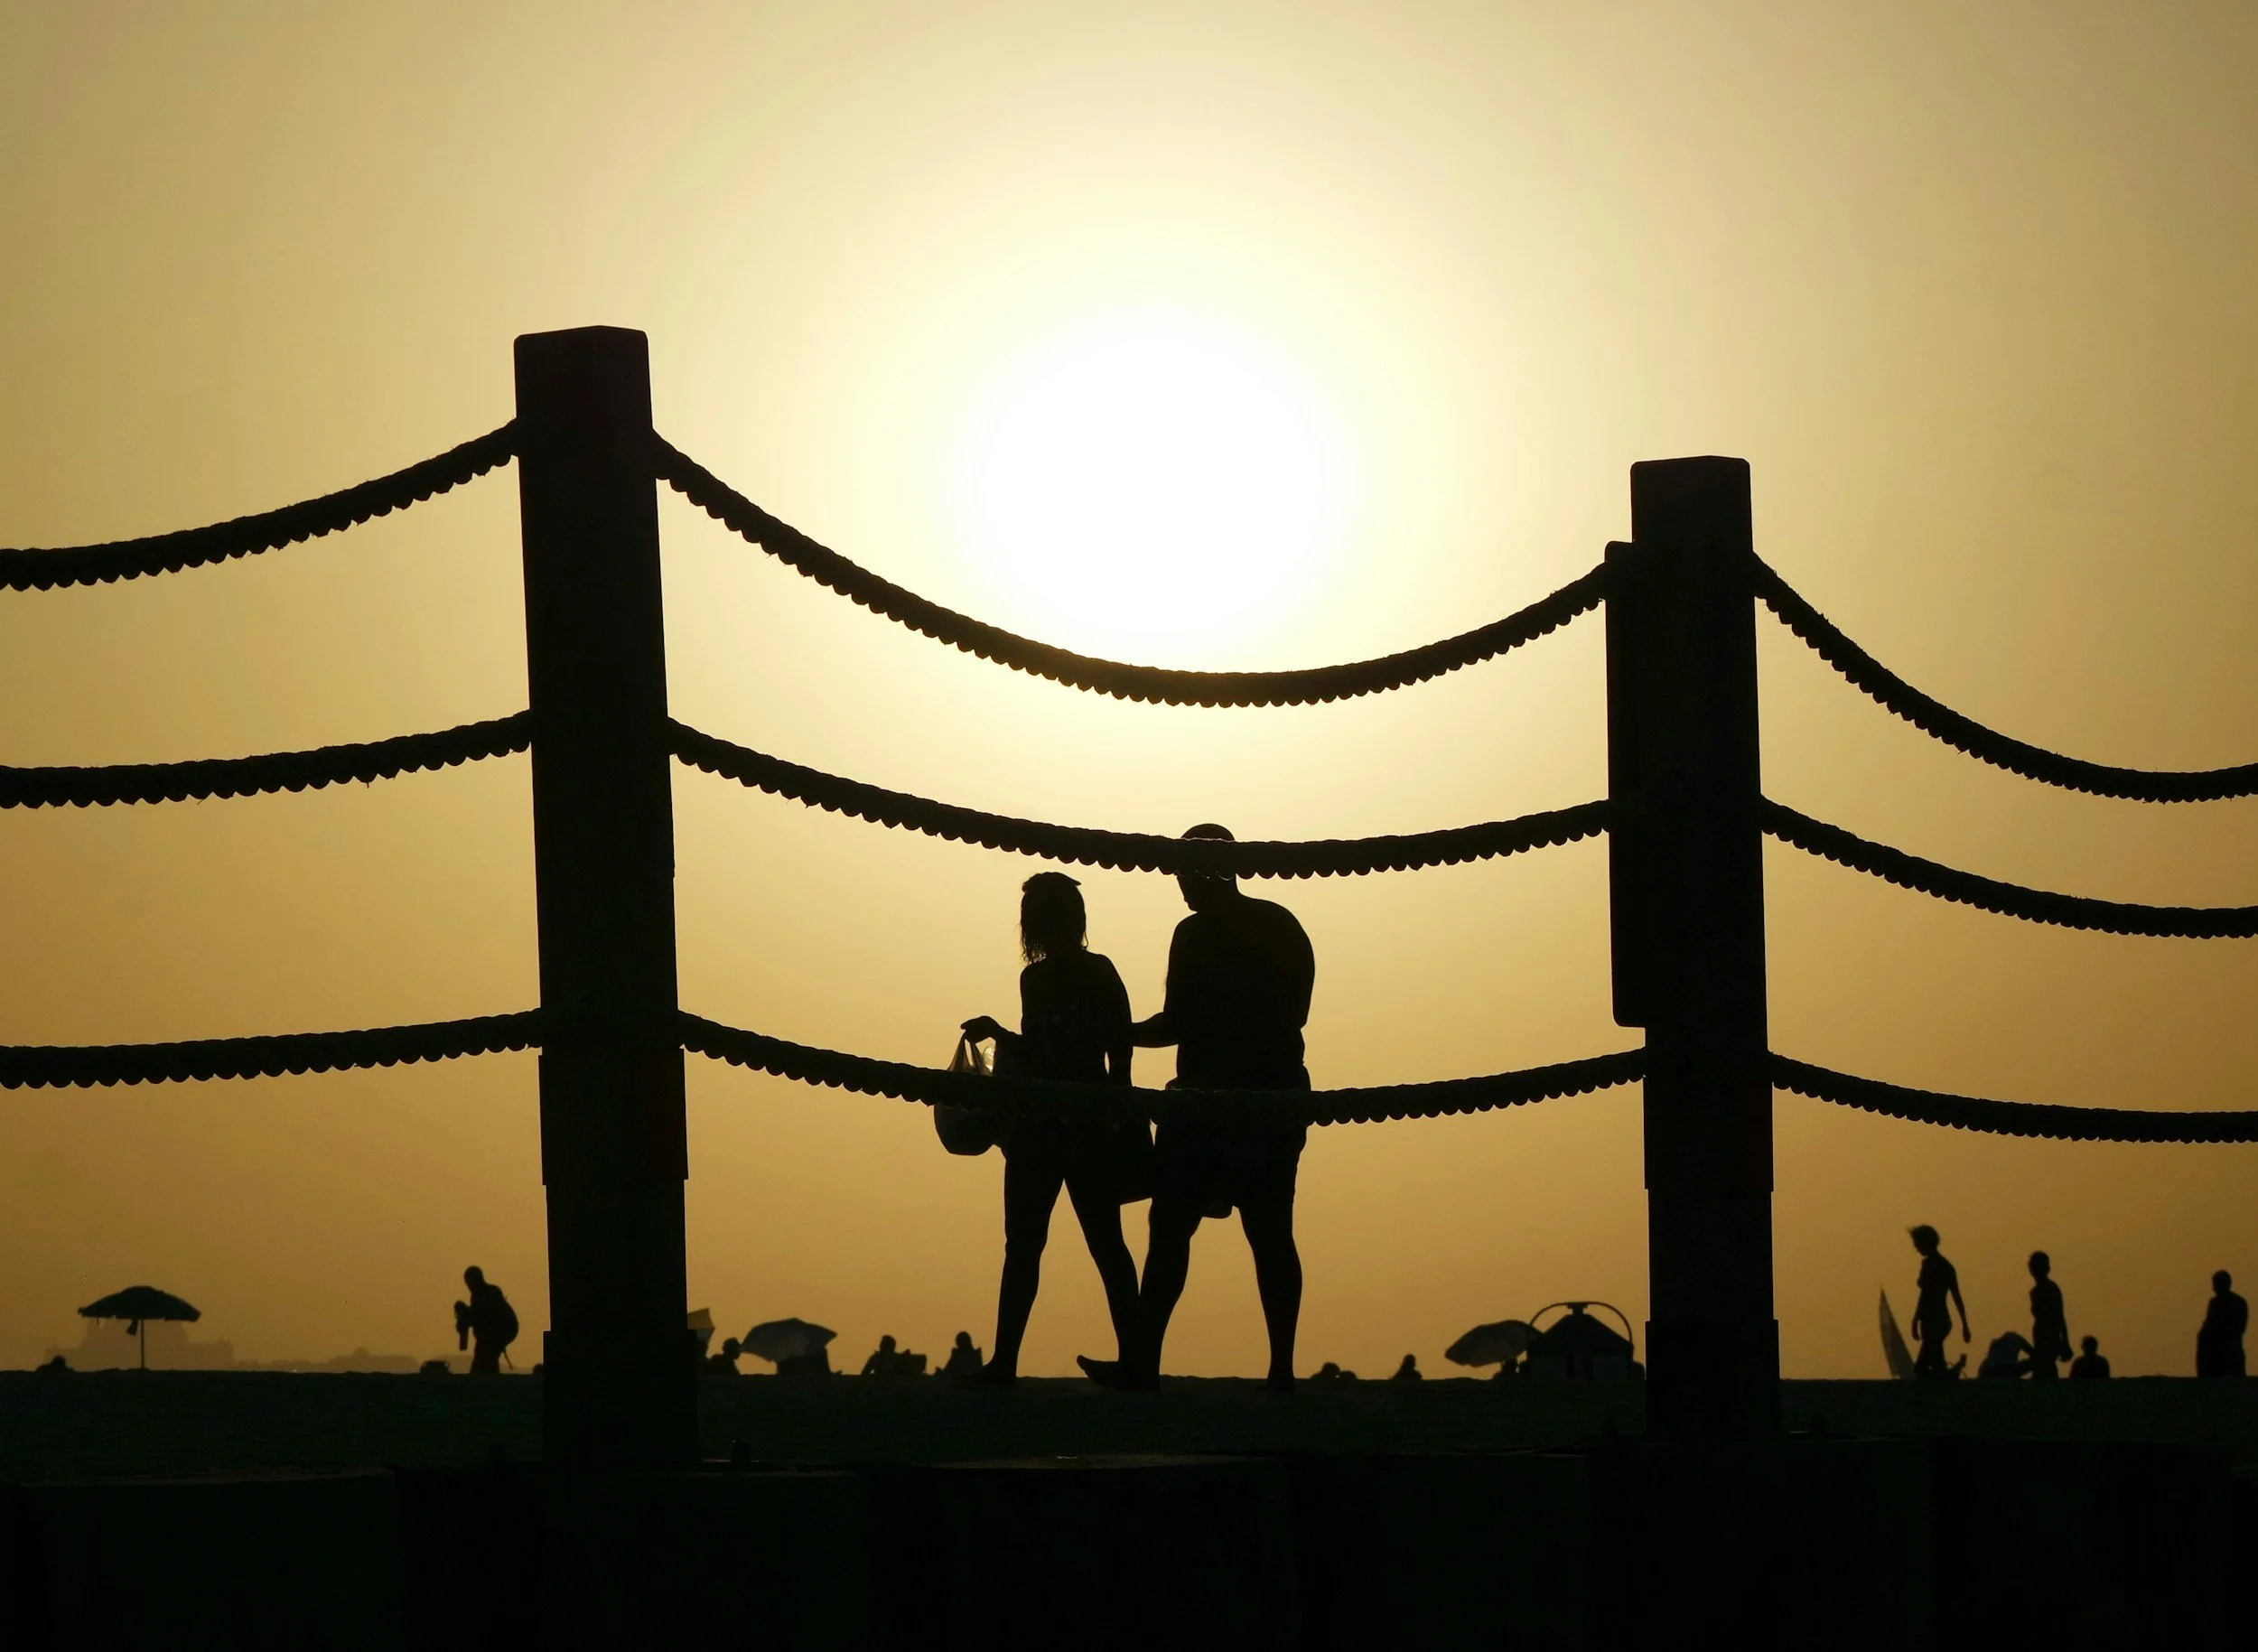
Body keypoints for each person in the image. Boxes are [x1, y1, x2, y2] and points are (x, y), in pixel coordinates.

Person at [1081, 825, 1317, 1394]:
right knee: (1196, 1227)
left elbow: (1276, 1016)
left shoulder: (1251, 928)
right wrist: (1123, 1032)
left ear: (1210, 871)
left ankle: (1269, 1368)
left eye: (1186, 874)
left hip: (1246, 1098)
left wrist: (1128, 1033)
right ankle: (1171, 1364)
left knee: (1253, 1230)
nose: (1181, 885)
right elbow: (1185, 1021)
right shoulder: (1241, 928)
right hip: (1228, 1097)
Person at [962, 872, 1143, 1386]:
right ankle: (1007, 1361)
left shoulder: (1090, 972)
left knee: (1093, 1244)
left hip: (1077, 1122)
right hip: (1050, 1122)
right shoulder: (1038, 979)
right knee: (1037, 1245)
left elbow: (1115, 1047)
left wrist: (1118, 1104)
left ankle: (1129, 1357)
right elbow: (1053, 1049)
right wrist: (1000, 1035)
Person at [1908, 1226, 1970, 1382]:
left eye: (1917, 1243)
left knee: (1922, 1368)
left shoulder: (1932, 1266)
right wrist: (1964, 1325)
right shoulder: (1946, 1266)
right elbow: (1957, 1297)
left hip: (1934, 1320)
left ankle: (1955, 1371)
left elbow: (1925, 1296)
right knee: (1934, 1365)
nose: (1916, 1248)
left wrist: (1915, 1320)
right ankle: (1955, 1370)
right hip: (1939, 1320)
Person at [454, 1266, 518, 1376]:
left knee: (485, 1359)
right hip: (497, 1333)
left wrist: (465, 1315)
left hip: (499, 1332)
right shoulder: (482, 1294)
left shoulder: (486, 1294)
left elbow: (481, 1315)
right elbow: (477, 1315)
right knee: (485, 1357)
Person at [2028, 1251, 2071, 1382]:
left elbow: (2059, 1317)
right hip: (2041, 1336)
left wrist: (2065, 1343)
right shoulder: (2035, 1291)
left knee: (2045, 1370)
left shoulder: (2051, 1289)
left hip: (2050, 1336)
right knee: (2044, 1370)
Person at [2197, 1270, 2247, 1377]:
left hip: (2228, 1349)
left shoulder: (2237, 1303)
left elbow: (2239, 1328)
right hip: (2217, 1348)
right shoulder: (2215, 1303)